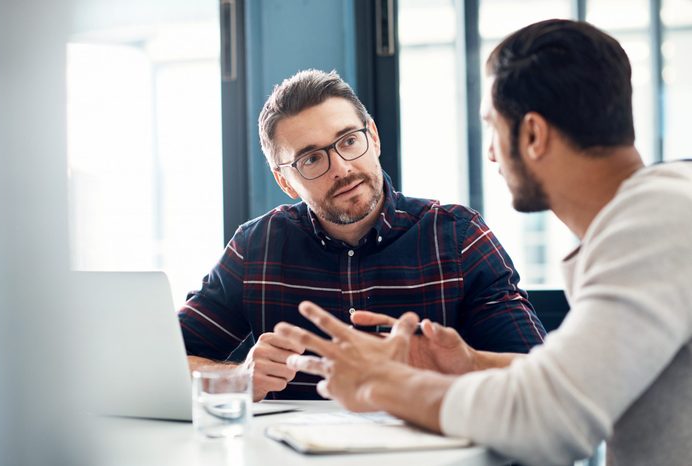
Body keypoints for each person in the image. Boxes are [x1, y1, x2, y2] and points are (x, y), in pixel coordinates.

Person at [275, 20, 692, 465]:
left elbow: (548, 419)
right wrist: (471, 363)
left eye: (493, 127)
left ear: (532, 135)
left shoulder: (659, 222)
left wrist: (381, 382)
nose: (491, 152)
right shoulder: (661, 213)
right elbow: (582, 379)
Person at [178, 69, 546, 401]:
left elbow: (538, 377)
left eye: (349, 140)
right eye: (311, 159)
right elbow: (163, 364)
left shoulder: (459, 236)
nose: (341, 167)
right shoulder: (254, 248)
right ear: (284, 181)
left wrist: (459, 365)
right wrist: (237, 378)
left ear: (373, 136)